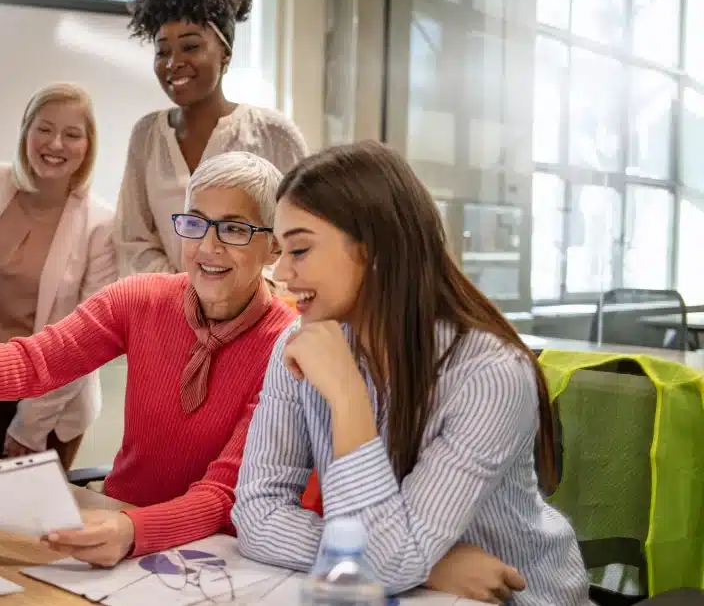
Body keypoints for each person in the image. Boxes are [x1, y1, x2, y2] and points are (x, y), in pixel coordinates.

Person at [0, 152, 297, 566]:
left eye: (234, 229)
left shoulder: (287, 344)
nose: (208, 247)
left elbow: (222, 496)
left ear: (274, 244)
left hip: (216, 552)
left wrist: (136, 532)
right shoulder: (142, 299)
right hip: (117, 522)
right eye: (195, 222)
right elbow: (37, 361)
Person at [231, 142, 592, 606]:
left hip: (515, 597)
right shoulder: (299, 346)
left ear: (374, 250)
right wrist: (429, 564)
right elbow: (257, 516)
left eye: (298, 249)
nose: (279, 273)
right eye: (280, 251)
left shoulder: (490, 374)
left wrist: (346, 395)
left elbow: (386, 563)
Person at [0, 83, 116, 467]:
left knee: (33, 520)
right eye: (44, 128)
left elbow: (86, 339)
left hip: (51, 395)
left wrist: (31, 425)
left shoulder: (101, 224)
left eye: (72, 135)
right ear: (26, 130)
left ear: (89, 146)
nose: (55, 144)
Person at [115, 0, 310, 276]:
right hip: (167, 314)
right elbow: (133, 239)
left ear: (226, 54)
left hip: (257, 316)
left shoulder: (273, 134)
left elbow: (300, 235)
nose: (173, 63)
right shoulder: (147, 135)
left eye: (190, 47)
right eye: (162, 51)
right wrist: (186, 295)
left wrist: (234, 297)